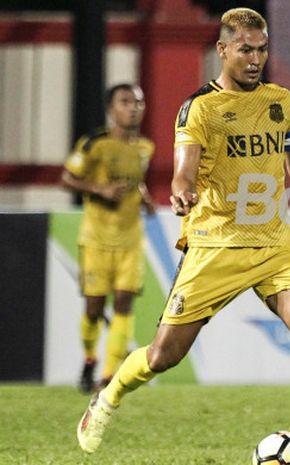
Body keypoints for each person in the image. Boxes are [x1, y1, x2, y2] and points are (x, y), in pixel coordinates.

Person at [76, 8, 290, 465]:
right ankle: (108, 396)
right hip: (215, 245)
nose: (255, 59)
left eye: (262, 49)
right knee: (162, 357)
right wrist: (181, 193)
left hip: (274, 243)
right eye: (245, 50)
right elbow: (182, 173)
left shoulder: (281, 101)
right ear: (222, 50)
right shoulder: (200, 109)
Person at [62, 83, 156, 393]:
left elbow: (136, 181)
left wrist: (144, 198)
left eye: (138, 102)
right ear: (111, 108)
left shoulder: (145, 148)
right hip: (97, 238)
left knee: (125, 302)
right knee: (93, 307)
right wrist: (100, 189)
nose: (133, 108)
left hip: (130, 238)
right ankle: (90, 358)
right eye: (126, 102)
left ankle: (108, 374)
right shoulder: (94, 144)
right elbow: (68, 178)